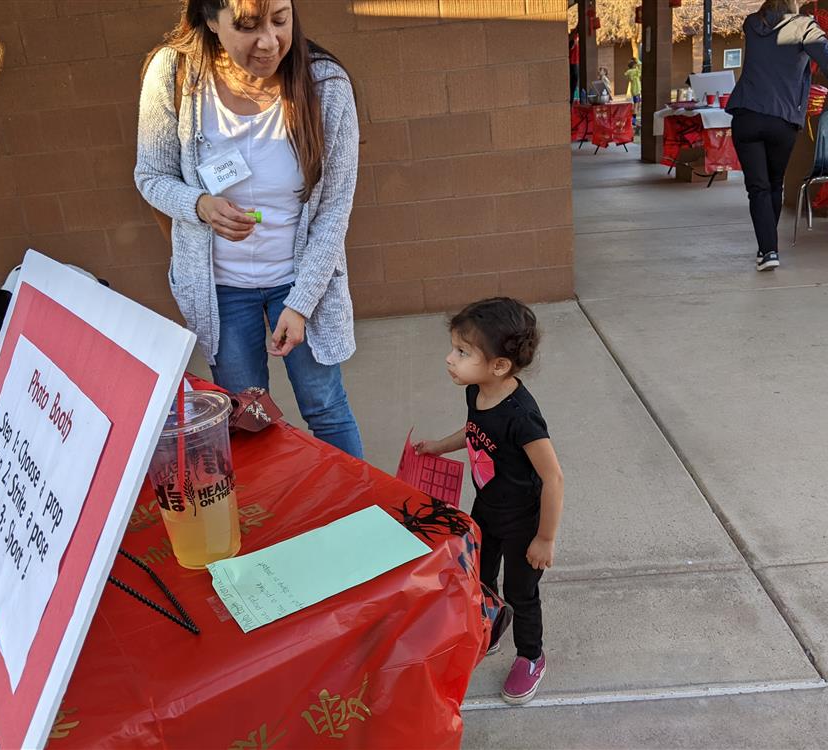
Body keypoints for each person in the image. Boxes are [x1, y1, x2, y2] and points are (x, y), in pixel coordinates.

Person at [135, 0, 364, 458]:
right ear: (210, 19)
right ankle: (270, 524)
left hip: (302, 283)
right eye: (247, 25)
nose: (269, 41)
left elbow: (334, 212)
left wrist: (300, 305)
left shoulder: (326, 86)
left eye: (281, 19)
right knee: (245, 417)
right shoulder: (174, 75)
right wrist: (198, 204)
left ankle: (365, 518)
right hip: (222, 288)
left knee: (325, 407)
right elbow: (151, 175)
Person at [414, 298, 564, 705]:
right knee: (480, 577)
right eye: (453, 348)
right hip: (487, 510)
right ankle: (491, 625)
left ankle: (531, 655)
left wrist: (545, 539)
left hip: (523, 523)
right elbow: (473, 431)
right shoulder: (478, 392)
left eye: (462, 353)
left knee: (521, 592)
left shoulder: (522, 417)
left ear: (499, 365)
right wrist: (438, 448)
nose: (449, 359)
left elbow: (553, 477)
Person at [726, 0, 828, 272]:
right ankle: (768, 250)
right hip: (782, 119)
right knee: (775, 184)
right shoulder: (804, 27)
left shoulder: (752, 23)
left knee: (758, 188)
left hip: (747, 115)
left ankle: (768, 249)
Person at [625, 58, 642, 126]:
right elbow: (640, 65)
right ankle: (633, 121)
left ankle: (633, 120)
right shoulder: (635, 71)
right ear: (634, 65)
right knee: (636, 105)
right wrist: (637, 60)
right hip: (637, 90)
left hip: (633, 89)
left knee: (636, 105)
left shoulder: (629, 72)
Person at [569, 32, 580, 103]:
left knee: (573, 85)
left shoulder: (574, 40)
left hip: (575, 63)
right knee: (573, 83)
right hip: (573, 63)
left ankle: (572, 100)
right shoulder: (573, 40)